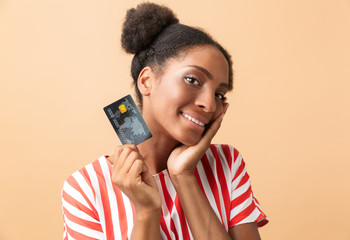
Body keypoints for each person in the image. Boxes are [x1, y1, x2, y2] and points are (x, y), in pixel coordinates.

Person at [61, 2, 268, 240]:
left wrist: (183, 177)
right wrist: (146, 212)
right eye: (193, 80)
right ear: (147, 81)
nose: (210, 105)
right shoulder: (85, 188)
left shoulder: (226, 164)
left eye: (219, 95)